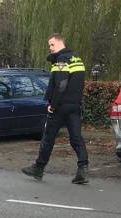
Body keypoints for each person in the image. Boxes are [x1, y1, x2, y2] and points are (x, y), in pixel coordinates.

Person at [22, 33, 89, 183]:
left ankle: (38, 168)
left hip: (60, 106)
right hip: (75, 105)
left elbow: (61, 84)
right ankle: (83, 169)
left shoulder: (62, 60)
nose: (50, 48)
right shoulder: (77, 59)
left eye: (52, 44)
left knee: (48, 138)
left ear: (60, 43)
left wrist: (53, 105)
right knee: (76, 138)